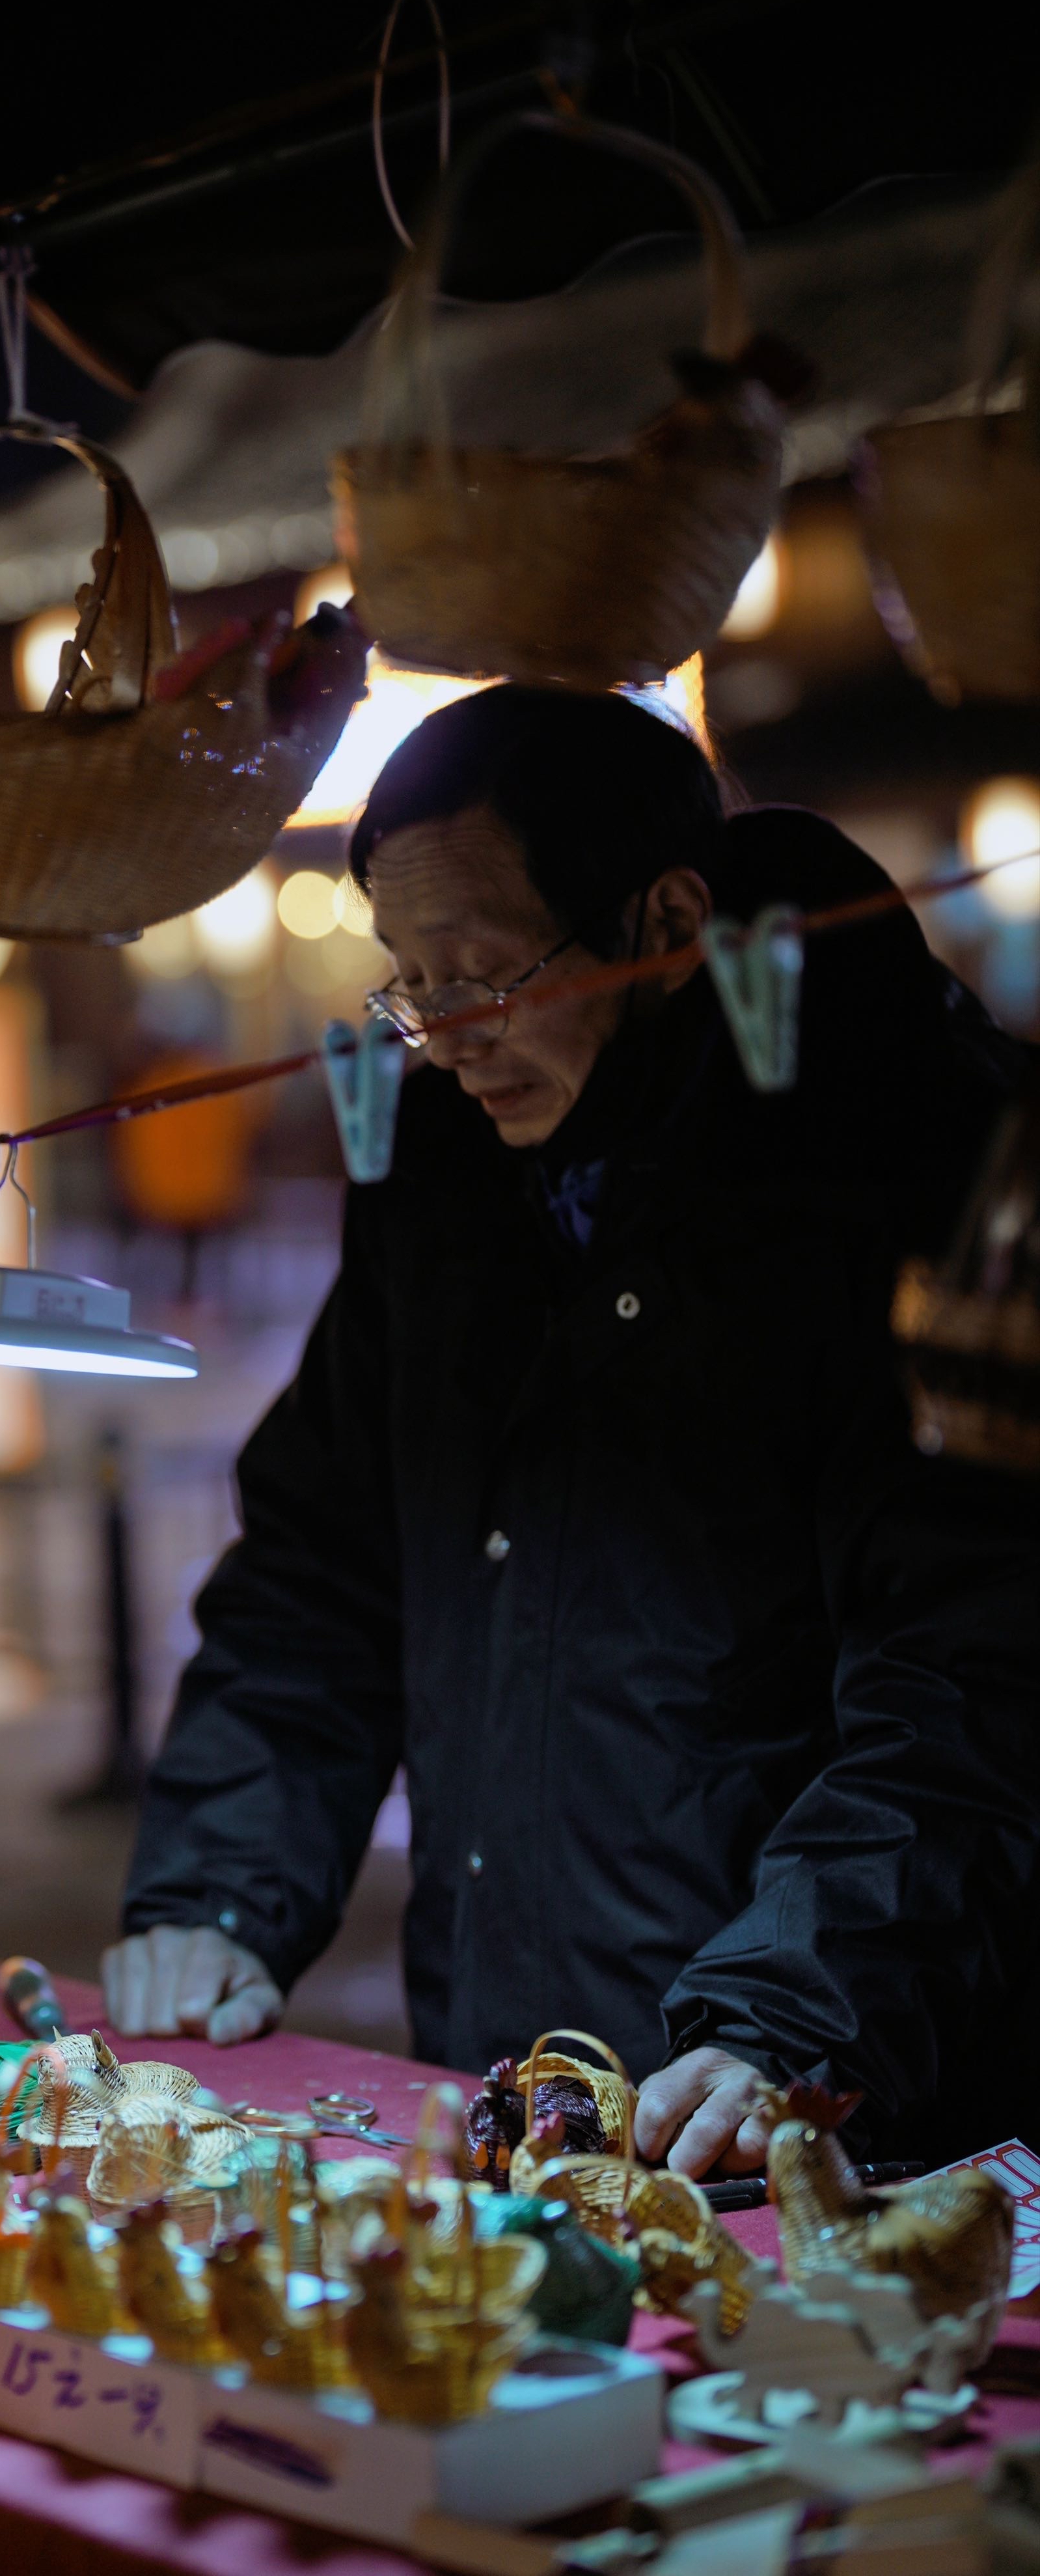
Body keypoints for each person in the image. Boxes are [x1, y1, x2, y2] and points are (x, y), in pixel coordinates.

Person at [106, 685, 1040, 2172]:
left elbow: (972, 1672)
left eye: (485, 973)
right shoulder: (438, 1174)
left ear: (664, 920)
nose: (451, 1039)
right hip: (509, 2066)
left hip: (807, 2106)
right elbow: (317, 1572)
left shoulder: (893, 1181)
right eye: (410, 985)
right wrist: (216, 1894)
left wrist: (788, 2018)